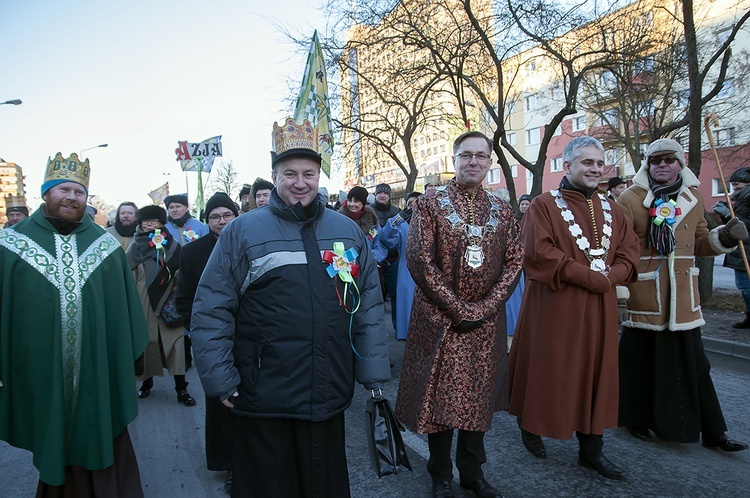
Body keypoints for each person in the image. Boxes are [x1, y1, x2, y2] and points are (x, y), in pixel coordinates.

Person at [190, 117, 390, 497]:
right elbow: (211, 308)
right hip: (265, 393)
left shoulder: (347, 230)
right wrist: (219, 377)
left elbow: (366, 306)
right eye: (290, 173)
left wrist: (373, 373)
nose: (301, 182)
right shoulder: (243, 231)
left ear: (319, 176)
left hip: (328, 388)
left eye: (309, 173)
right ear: (275, 176)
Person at [0, 152, 148, 495]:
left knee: (103, 431)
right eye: (63, 189)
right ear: (46, 193)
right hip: (39, 369)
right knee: (53, 436)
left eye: (79, 192)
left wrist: (131, 356)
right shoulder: (10, 246)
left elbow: (125, 309)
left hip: (98, 369)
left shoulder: (104, 246)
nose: (71, 197)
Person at [396, 131, 523, 498]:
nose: (474, 162)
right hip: (439, 320)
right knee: (439, 402)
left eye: (481, 156)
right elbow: (419, 259)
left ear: (490, 163)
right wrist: (456, 308)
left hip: (484, 324)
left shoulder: (502, 209)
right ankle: (439, 474)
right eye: (466, 155)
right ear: (454, 160)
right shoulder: (430, 203)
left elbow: (515, 261)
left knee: (477, 400)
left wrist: (483, 308)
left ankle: (473, 474)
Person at [508, 136, 640, 481]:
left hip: (600, 305)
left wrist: (612, 277)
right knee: (550, 369)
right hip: (556, 304)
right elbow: (540, 252)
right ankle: (531, 421)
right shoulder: (542, 204)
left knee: (597, 373)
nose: (595, 169)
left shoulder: (612, 208)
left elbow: (629, 251)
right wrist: (588, 277)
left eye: (599, 163)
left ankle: (591, 450)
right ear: (567, 166)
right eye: (587, 162)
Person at [618, 138, 748, 452]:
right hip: (646, 295)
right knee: (640, 364)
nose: (663, 165)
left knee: (697, 366)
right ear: (647, 165)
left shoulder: (693, 196)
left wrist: (726, 236)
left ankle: (714, 431)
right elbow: (619, 249)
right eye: (656, 160)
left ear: (680, 163)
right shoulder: (630, 199)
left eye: (669, 160)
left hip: (684, 299)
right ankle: (636, 420)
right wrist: (620, 292)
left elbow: (702, 242)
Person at [176, 192, 238, 492]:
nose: (222, 221)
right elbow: (185, 300)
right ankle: (230, 464)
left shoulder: (249, 242)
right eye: (215, 217)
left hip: (252, 337)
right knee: (222, 402)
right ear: (207, 220)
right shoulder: (191, 254)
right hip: (214, 340)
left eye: (227, 215)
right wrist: (202, 333)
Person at [127, 204, 196, 407]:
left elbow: (182, 271)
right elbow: (127, 272)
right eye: (145, 220)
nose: (149, 223)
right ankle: (146, 383)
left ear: (161, 222)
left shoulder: (172, 244)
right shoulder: (135, 246)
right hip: (145, 302)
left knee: (176, 345)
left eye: (153, 220)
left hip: (169, 301)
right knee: (147, 342)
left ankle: (181, 388)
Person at [379, 191, 420, 340]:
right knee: (406, 300)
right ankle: (407, 333)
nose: (414, 206)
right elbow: (386, 239)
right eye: (410, 204)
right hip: (407, 270)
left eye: (417, 203)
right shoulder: (401, 225)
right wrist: (396, 220)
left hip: (428, 270)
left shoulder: (431, 222)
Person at [713, 166, 750, 328]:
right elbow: (734, 226)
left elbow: (744, 226)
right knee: (743, 285)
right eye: (733, 184)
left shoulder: (746, 200)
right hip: (742, 252)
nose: (734, 187)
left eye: (737, 184)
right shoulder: (741, 200)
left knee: (745, 285)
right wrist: (726, 214)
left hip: (747, 252)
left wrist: (729, 215)